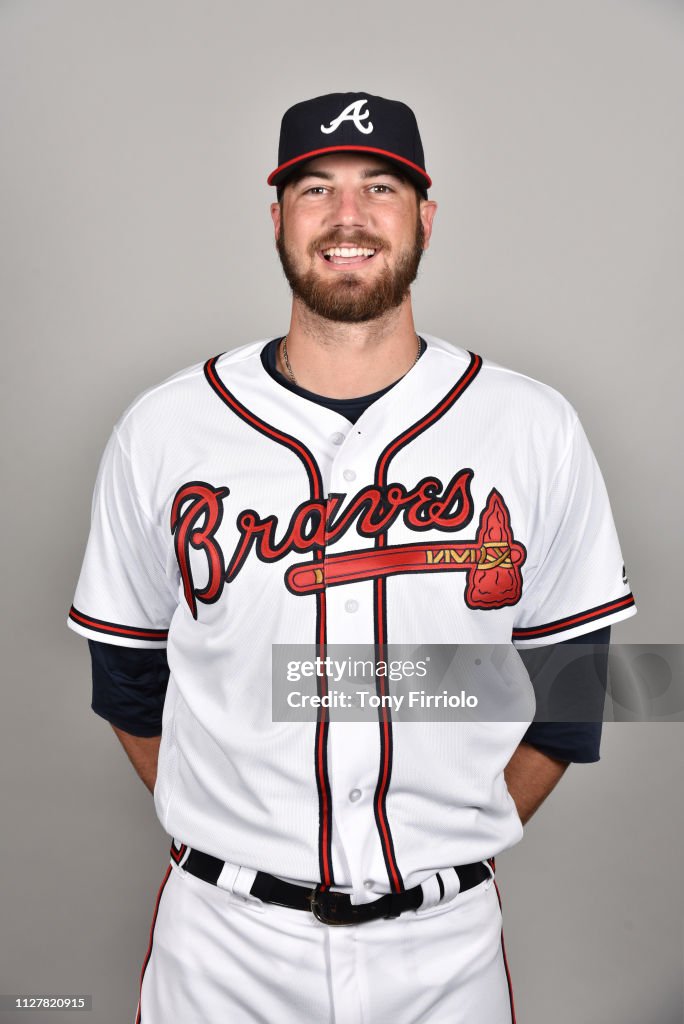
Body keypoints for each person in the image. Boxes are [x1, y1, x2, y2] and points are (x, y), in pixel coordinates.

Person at [68, 92, 636, 1023]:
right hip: (223, 947)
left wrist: (451, 836)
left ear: (424, 217)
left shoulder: (531, 427)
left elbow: (575, 688)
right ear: (278, 219)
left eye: (381, 187)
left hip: (444, 950)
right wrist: (233, 830)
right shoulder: (167, 430)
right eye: (314, 189)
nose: (348, 217)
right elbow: (126, 679)